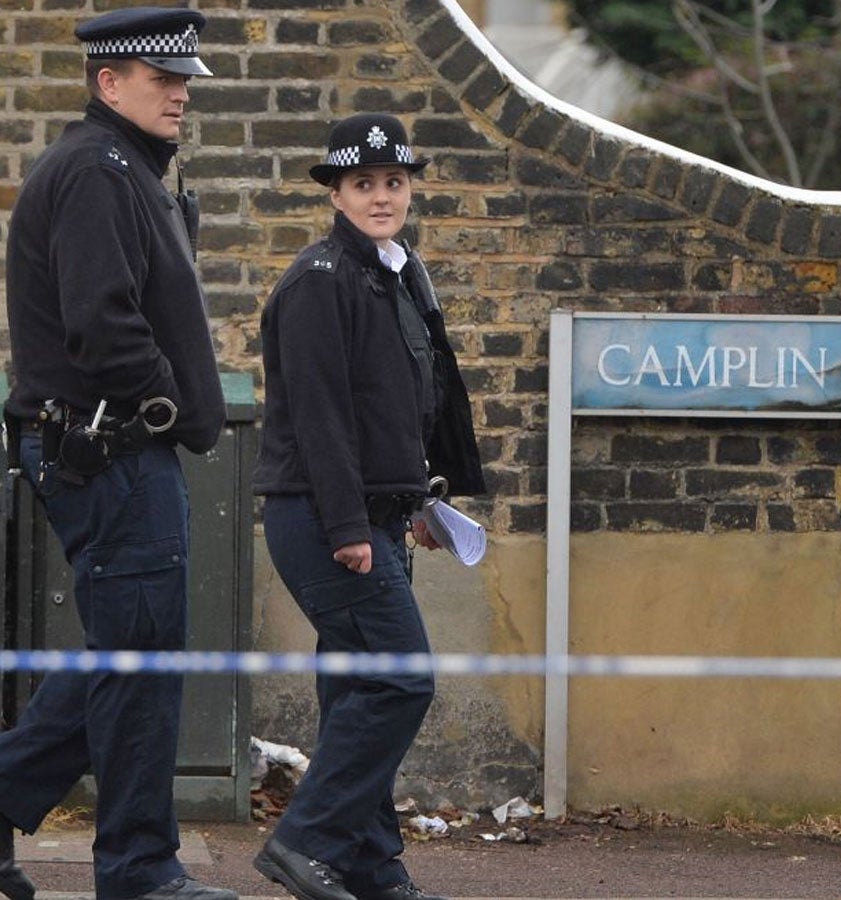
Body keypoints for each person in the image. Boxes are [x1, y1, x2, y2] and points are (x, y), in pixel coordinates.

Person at [0, 7, 234, 900]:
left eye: (184, 81)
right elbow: (103, 322)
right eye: (161, 78)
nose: (180, 93)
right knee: (140, 666)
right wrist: (168, 402)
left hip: (111, 447)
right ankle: (138, 869)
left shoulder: (121, 169)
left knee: (124, 658)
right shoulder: (100, 171)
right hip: (110, 449)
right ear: (109, 82)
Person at [251, 114, 485, 900]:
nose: (382, 196)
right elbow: (318, 417)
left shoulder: (400, 272)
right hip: (321, 516)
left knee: (357, 688)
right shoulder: (320, 281)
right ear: (337, 193)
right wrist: (350, 527)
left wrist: (418, 501)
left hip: (376, 513)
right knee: (400, 679)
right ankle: (305, 842)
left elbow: (401, 410)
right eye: (364, 184)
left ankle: (369, 864)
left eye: (394, 181)